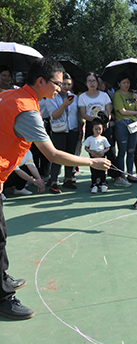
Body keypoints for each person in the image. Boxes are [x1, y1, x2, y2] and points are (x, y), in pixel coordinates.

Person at [0, 57, 111, 319]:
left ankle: (2, 277)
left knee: (0, 235)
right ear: (40, 81)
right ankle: (3, 298)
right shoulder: (26, 110)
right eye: (57, 83)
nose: (61, 88)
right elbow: (53, 155)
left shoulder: (9, 95)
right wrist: (92, 161)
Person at [79, 72, 127, 187]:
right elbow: (83, 114)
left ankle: (117, 177)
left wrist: (105, 120)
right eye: (89, 81)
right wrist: (96, 121)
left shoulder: (104, 95)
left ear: (97, 82)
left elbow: (108, 112)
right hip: (91, 127)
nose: (92, 83)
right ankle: (97, 180)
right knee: (94, 154)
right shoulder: (82, 97)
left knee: (111, 152)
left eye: (94, 81)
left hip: (104, 127)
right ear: (85, 83)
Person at [46, 72, 81, 191]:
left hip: (73, 129)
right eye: (64, 84)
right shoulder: (51, 97)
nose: (66, 87)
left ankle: (68, 179)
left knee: (70, 155)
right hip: (59, 130)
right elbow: (54, 115)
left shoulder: (74, 97)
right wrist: (64, 105)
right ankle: (53, 181)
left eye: (69, 84)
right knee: (57, 156)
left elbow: (78, 115)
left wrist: (80, 130)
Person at [113, 73, 137, 183]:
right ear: (119, 84)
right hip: (122, 124)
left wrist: (135, 99)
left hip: (134, 125)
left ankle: (130, 173)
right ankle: (122, 174)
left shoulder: (132, 94)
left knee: (131, 150)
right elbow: (122, 112)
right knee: (122, 151)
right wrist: (135, 113)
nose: (126, 85)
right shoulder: (117, 95)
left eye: (128, 82)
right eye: (124, 83)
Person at [83, 118, 111, 193]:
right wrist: (91, 152)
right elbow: (86, 147)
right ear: (92, 129)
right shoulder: (90, 138)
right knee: (94, 172)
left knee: (102, 171)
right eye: (96, 129)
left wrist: (103, 152)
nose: (98, 131)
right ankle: (94, 185)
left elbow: (108, 147)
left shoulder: (103, 139)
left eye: (99, 129)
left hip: (101, 157)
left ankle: (103, 184)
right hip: (93, 158)